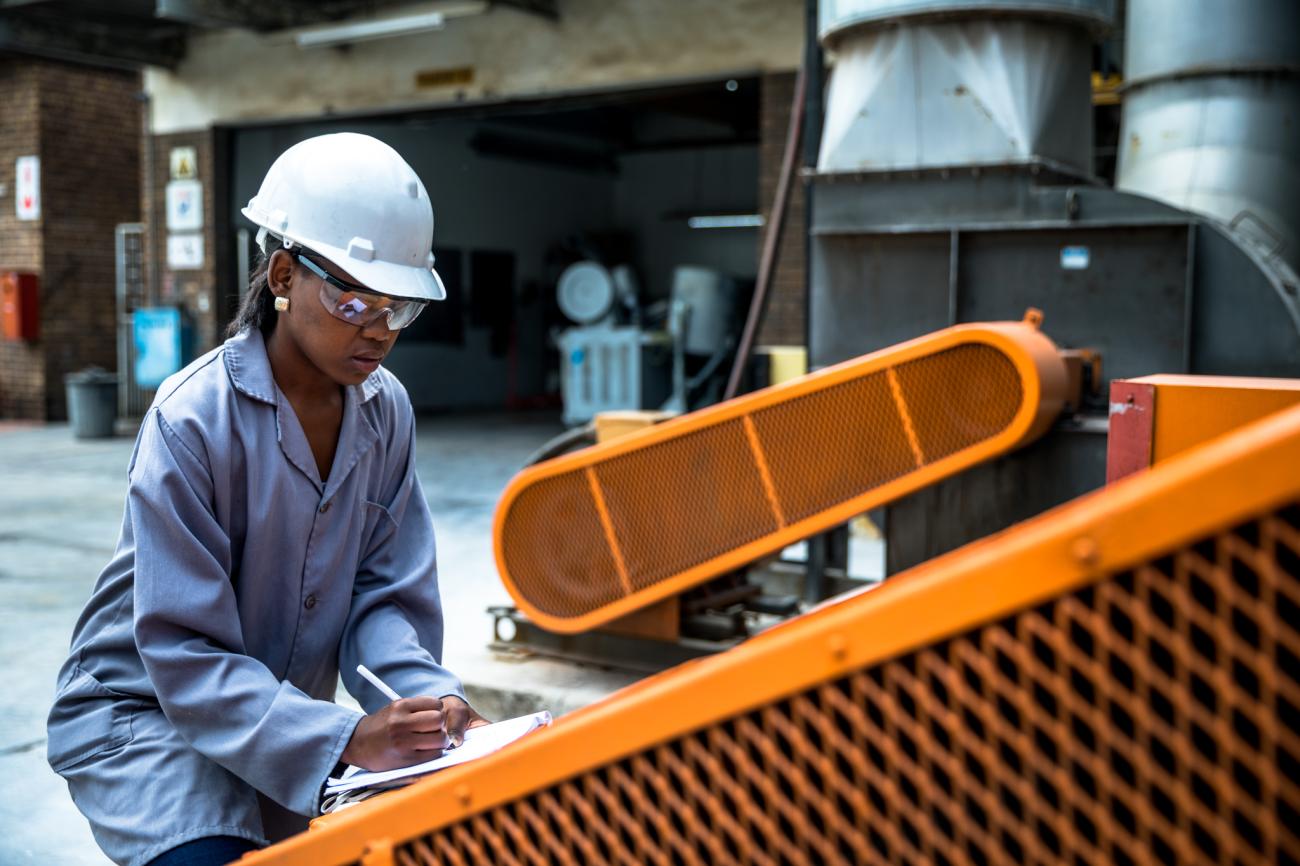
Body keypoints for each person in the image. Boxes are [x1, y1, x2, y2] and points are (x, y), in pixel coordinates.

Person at [46, 132, 487, 866]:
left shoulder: (386, 414)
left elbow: (384, 597)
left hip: (275, 722)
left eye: (399, 310)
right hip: (146, 719)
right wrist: (340, 738)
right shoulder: (190, 420)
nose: (379, 332)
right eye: (355, 301)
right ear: (283, 275)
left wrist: (426, 705)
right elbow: (184, 650)